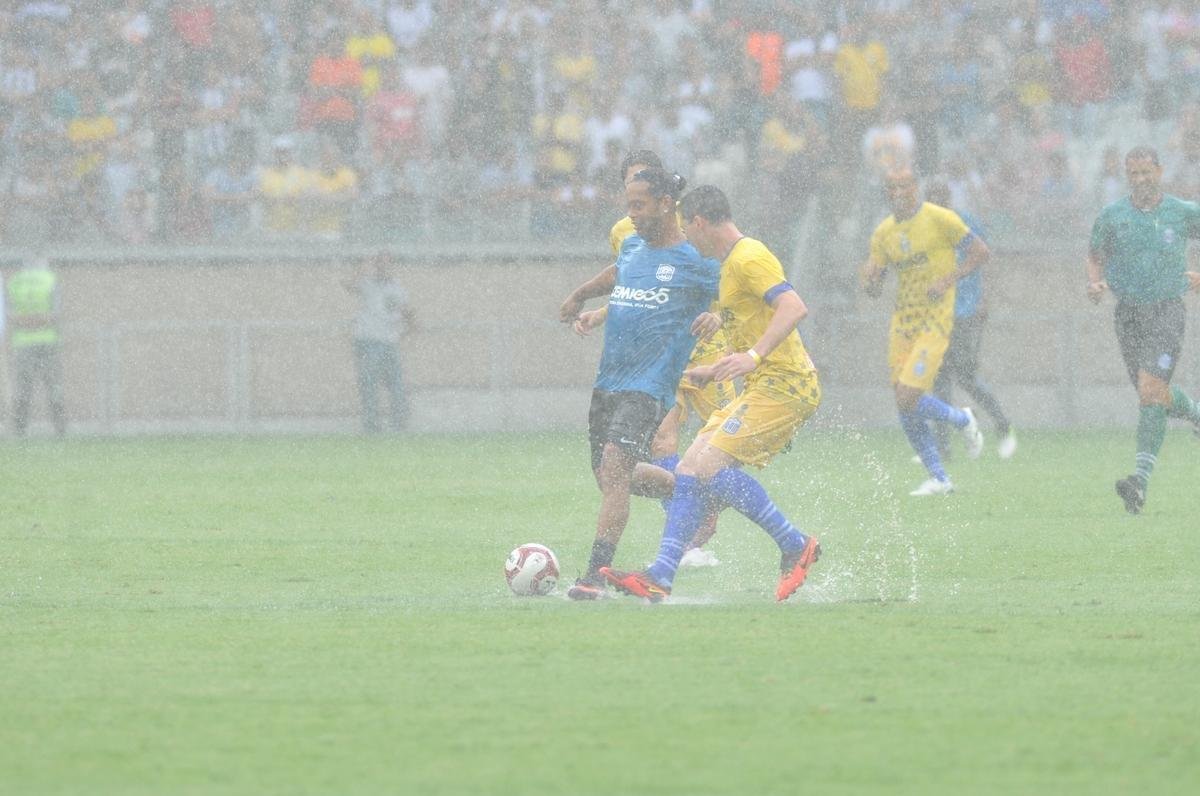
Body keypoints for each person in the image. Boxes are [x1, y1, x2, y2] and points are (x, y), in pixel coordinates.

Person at [600, 184, 822, 603]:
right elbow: (748, 315)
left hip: (786, 386)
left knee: (705, 468)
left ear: (700, 223)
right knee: (690, 468)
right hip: (763, 386)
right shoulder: (728, 264)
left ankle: (793, 545)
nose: (685, 237)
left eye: (687, 228)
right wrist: (713, 362)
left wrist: (754, 356)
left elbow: (794, 307)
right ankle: (662, 575)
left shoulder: (749, 256)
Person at [570, 149, 735, 587]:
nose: (632, 214)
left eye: (638, 205)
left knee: (616, 466)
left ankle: (594, 576)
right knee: (608, 476)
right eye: (628, 205)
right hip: (610, 380)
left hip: (651, 385)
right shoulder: (631, 247)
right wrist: (581, 296)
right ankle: (700, 490)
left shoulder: (696, 260)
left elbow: (741, 294)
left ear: (666, 204)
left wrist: (720, 316)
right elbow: (616, 276)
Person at [860, 168, 989, 496]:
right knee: (903, 402)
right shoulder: (884, 233)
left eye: (905, 185)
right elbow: (872, 288)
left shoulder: (940, 218)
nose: (899, 192)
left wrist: (948, 279)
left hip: (935, 320)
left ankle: (962, 420)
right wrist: (871, 279)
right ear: (887, 192)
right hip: (903, 323)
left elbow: (980, 252)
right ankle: (940, 478)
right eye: (892, 187)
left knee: (908, 396)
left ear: (915, 188)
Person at [1086, 146, 1200, 515]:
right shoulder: (1113, 216)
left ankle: (1138, 481)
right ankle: (1196, 415)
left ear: (1159, 171)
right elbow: (1095, 253)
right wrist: (1095, 282)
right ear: (1126, 176)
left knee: (1151, 393)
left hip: (1166, 311)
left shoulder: (1182, 212)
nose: (1140, 180)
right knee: (1154, 395)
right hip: (1128, 316)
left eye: (1146, 173)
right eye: (1133, 174)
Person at [924, 178, 1016, 460]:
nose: (935, 203)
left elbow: (985, 260)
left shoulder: (966, 223)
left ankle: (1002, 423)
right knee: (939, 379)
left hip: (965, 309)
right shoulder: (925, 228)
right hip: (937, 314)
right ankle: (943, 446)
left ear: (948, 198)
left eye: (940, 197)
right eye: (931, 198)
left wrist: (985, 299)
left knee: (965, 377)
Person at [343, 252, 415, 434]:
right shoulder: (368, 284)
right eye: (379, 264)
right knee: (369, 384)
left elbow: (408, 313)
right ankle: (372, 426)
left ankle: (399, 425)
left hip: (389, 343)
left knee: (397, 385)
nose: (383, 267)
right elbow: (348, 285)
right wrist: (360, 267)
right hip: (367, 342)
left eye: (386, 264)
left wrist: (407, 330)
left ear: (392, 265)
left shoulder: (398, 288)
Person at [6, 256, 66, 437]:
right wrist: (41, 321)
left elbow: (10, 316)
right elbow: (55, 314)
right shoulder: (50, 280)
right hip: (47, 341)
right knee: (54, 387)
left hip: (23, 342)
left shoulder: (14, 282)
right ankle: (60, 429)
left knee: (23, 389)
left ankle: (19, 430)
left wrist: (25, 321)